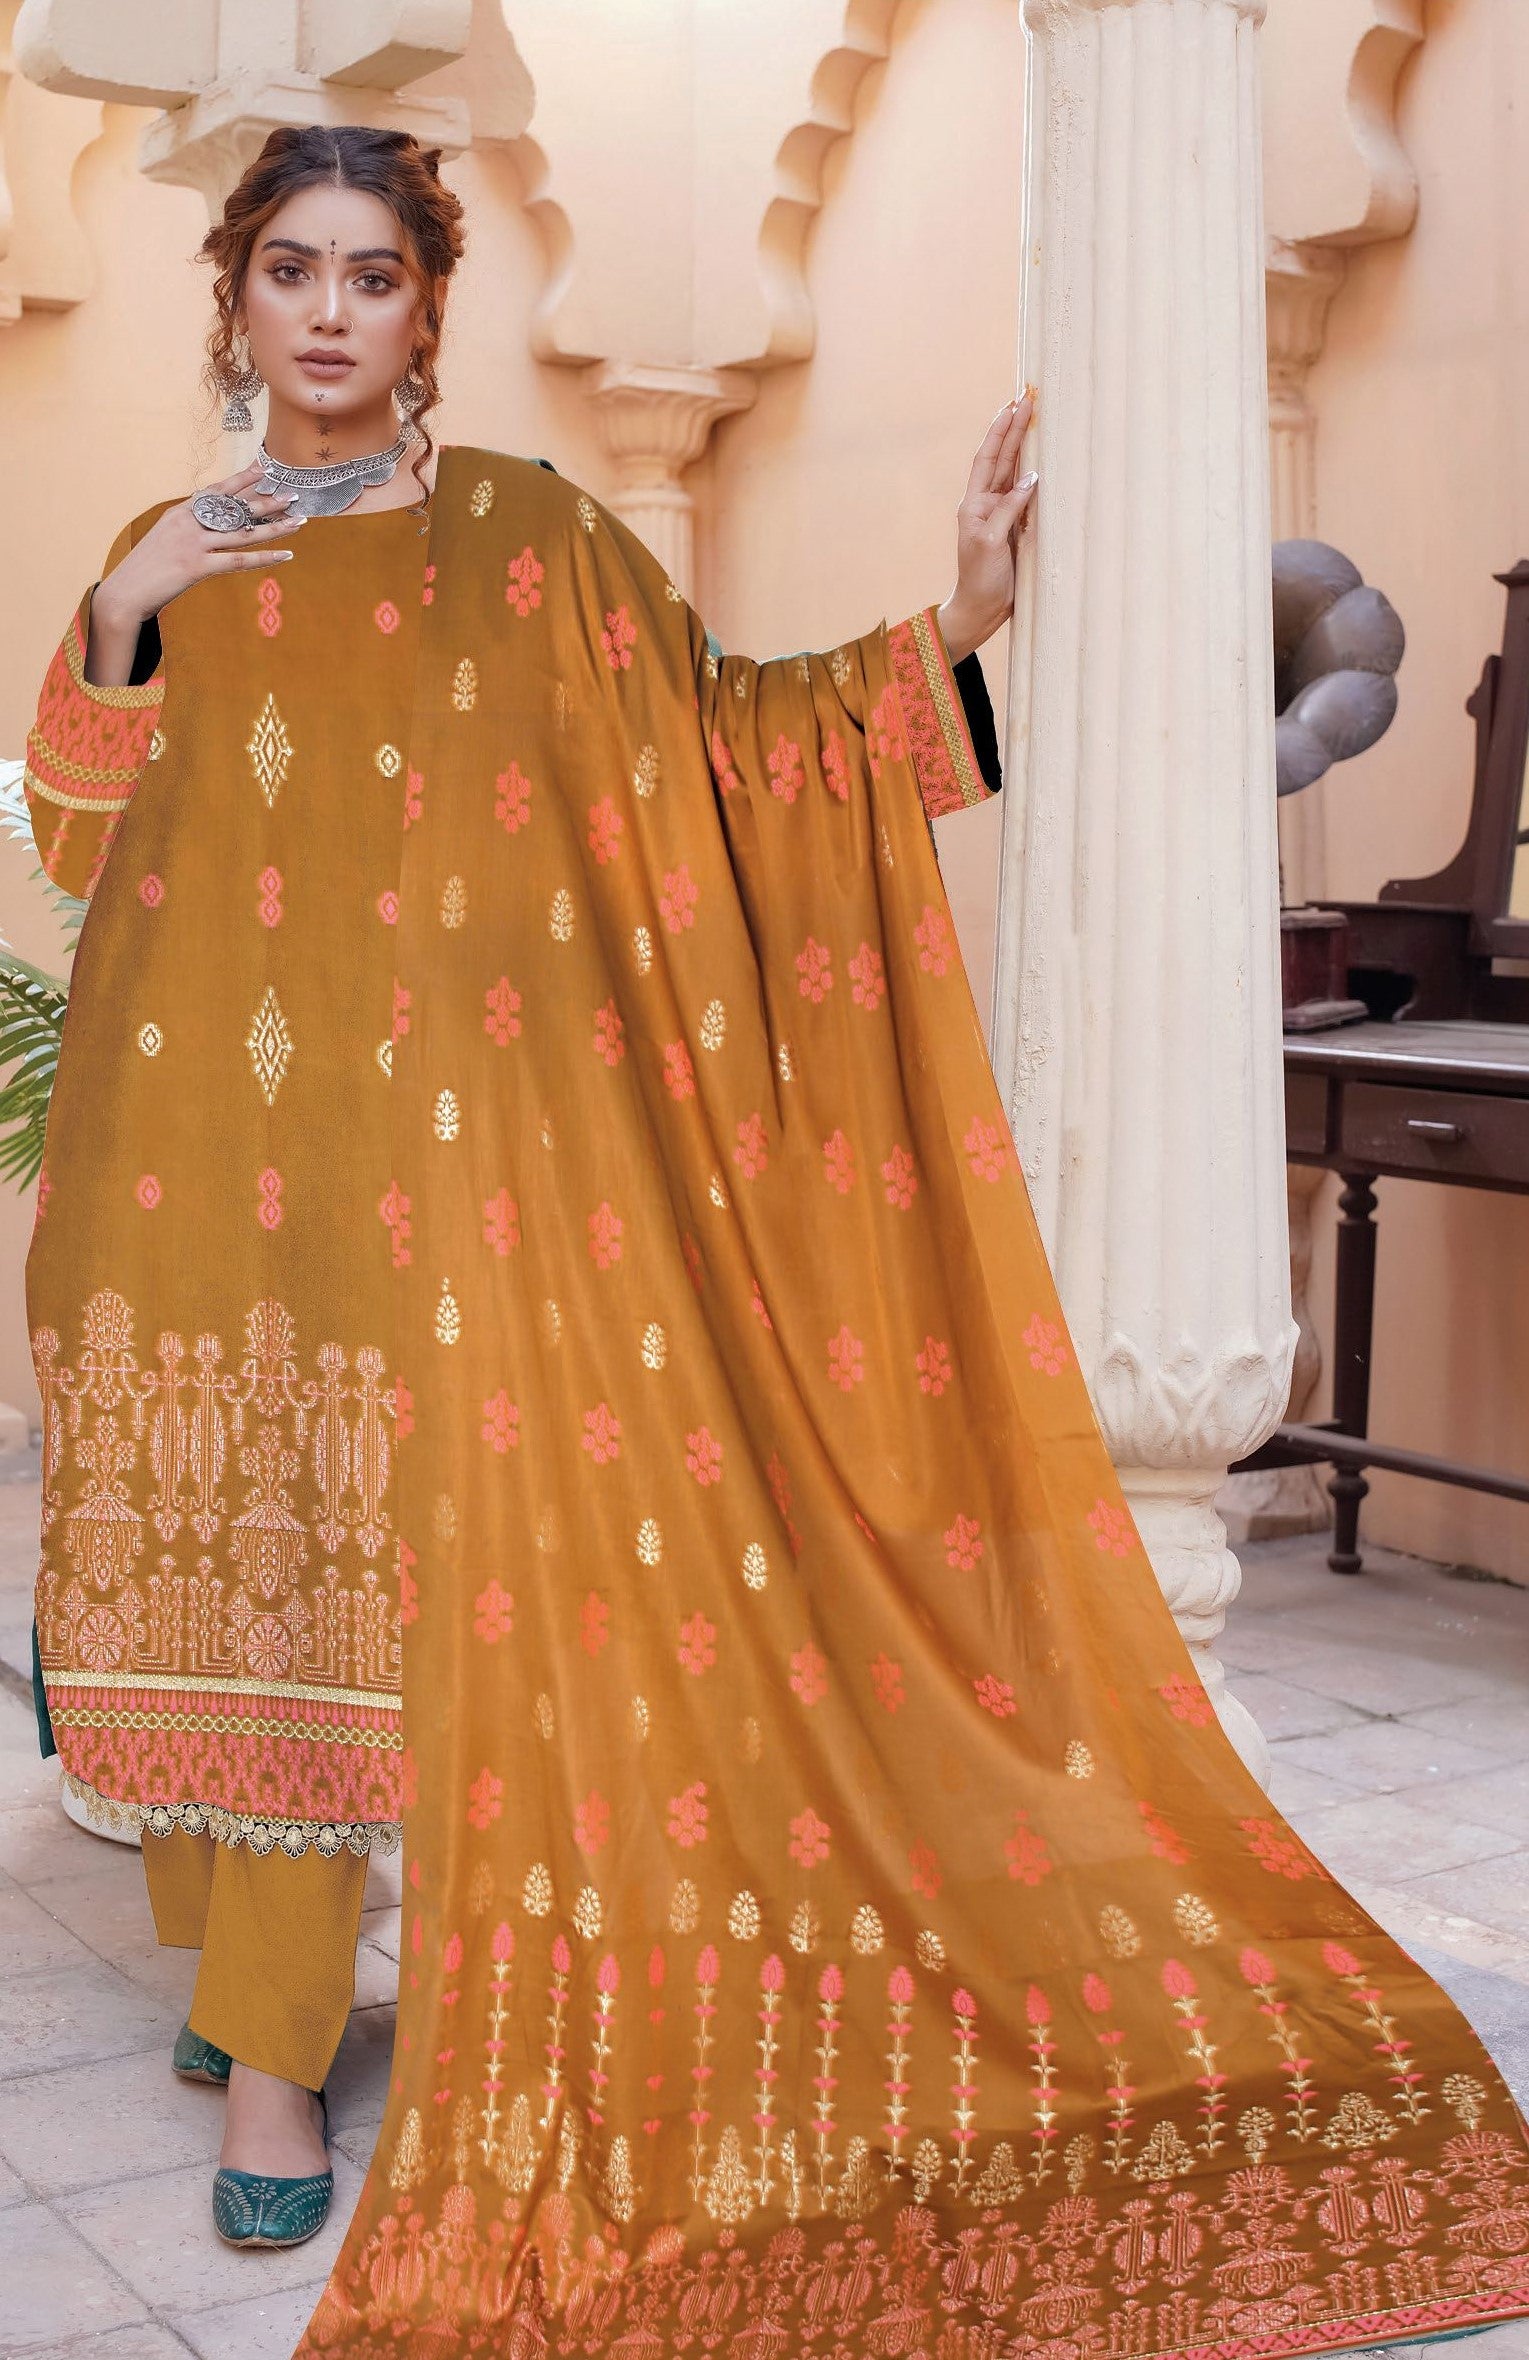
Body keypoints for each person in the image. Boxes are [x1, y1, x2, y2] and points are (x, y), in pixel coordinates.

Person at [21, 123, 1529, 2355]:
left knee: (377, 1570)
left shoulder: (530, 544)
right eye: (285, 273)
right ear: (233, 301)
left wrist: (965, 622)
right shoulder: (168, 557)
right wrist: (134, 605)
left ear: (431, 311)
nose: (327, 313)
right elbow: (72, 830)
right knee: (251, 1555)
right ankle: (251, 1971)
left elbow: (724, 755)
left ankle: (268, 2052)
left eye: (369, 275)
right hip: (204, 1158)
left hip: (470, 1172)